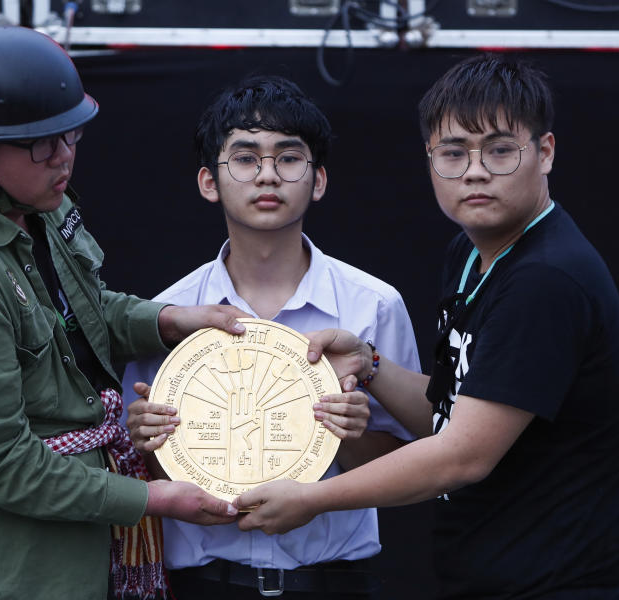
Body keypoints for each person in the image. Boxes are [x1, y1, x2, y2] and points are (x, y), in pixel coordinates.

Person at [0, 26, 247, 600]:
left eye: (71, 133)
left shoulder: (30, 199)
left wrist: (169, 322)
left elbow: (71, 314)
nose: (64, 157)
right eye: (40, 142)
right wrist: (155, 500)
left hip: (45, 557)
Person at [233, 55, 619, 598]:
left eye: (500, 150)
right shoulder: (473, 254)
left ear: (544, 153)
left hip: (562, 583)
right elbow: (450, 410)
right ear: (430, 159)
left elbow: (463, 455)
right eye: (453, 152)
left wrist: (310, 498)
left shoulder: (546, 279)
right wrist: (370, 363)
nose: (475, 170)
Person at [121, 75, 421, 599]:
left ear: (318, 179)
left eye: (288, 158)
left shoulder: (373, 306)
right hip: (204, 586)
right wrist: (145, 445)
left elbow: (413, 470)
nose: (267, 176)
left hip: (334, 585)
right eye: (244, 158)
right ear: (208, 181)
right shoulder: (166, 315)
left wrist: (347, 437)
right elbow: (139, 477)